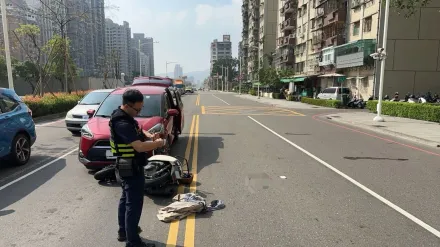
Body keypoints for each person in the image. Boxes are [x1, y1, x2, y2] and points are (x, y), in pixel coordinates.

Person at [109, 89, 166, 247]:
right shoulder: (121, 123)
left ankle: (124, 232)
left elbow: (140, 131)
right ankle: (133, 242)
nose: (139, 112)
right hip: (131, 167)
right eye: (137, 109)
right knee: (133, 204)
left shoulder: (126, 116)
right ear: (127, 105)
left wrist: (149, 136)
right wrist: (158, 143)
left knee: (126, 199)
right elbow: (139, 147)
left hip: (128, 166)